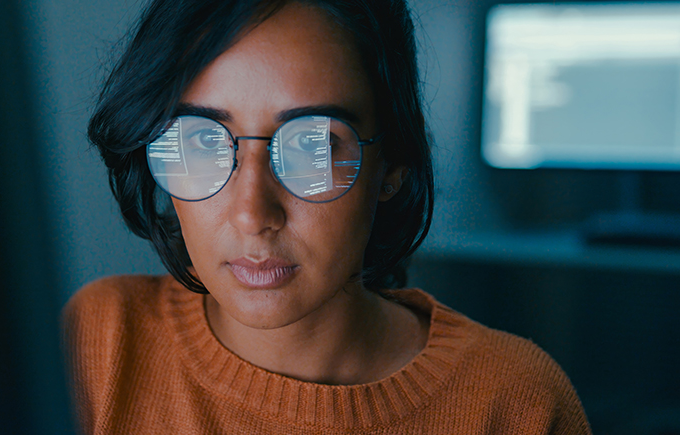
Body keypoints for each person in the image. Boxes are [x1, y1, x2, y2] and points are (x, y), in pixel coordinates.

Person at [63, 0, 592, 433]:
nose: (252, 215)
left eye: (313, 145)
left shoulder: (516, 404)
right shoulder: (98, 345)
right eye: (200, 140)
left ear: (393, 165)